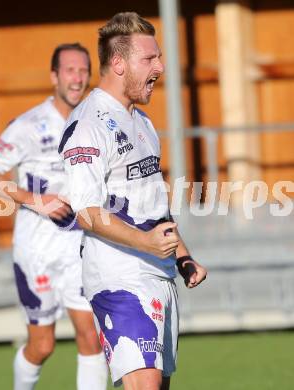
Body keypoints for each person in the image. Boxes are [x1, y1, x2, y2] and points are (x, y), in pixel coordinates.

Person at [59, 12, 207, 390]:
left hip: (159, 273)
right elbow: (87, 213)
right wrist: (145, 243)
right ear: (119, 63)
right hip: (119, 277)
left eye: (158, 57)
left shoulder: (141, 122)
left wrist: (182, 256)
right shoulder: (89, 125)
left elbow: (155, 203)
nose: (160, 66)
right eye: (149, 59)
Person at [0, 43, 108, 390]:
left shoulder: (96, 124)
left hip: (79, 247)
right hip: (36, 251)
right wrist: (35, 200)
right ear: (54, 76)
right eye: (70, 71)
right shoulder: (29, 125)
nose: (78, 79)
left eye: (83, 71)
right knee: (42, 345)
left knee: (91, 338)